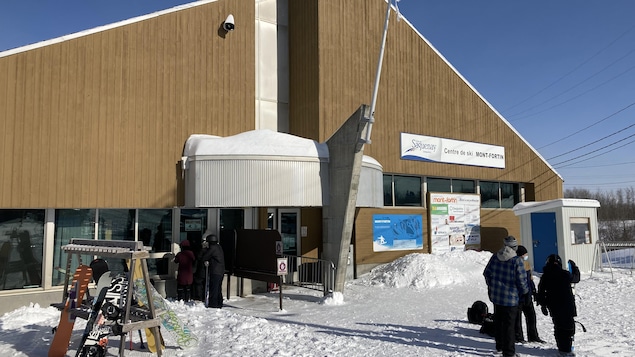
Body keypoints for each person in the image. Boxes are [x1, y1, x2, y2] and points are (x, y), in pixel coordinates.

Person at [483, 236, 529, 357]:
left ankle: (499, 347)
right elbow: (521, 280)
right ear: (514, 247)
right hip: (511, 299)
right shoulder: (516, 261)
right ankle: (509, 352)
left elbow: (486, 273)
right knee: (509, 326)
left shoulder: (495, 257)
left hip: (497, 297)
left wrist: (492, 286)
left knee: (499, 323)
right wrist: (524, 292)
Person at [536, 254, 580, 357]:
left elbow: (541, 291)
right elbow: (576, 278)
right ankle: (567, 348)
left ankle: (561, 347)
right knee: (568, 327)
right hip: (567, 305)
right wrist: (574, 267)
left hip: (554, 306)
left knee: (558, 326)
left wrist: (543, 305)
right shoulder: (565, 274)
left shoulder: (545, 276)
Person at [514, 245, 544, 343]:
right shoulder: (515, 265)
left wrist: (534, 291)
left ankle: (533, 336)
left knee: (531, 317)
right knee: (517, 318)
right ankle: (519, 337)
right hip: (518, 297)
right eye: (525, 254)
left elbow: (530, 280)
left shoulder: (526, 265)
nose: (526, 256)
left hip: (528, 295)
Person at [200, 233, 225, 308]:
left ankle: (213, 304)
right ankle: (219, 302)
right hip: (220, 270)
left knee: (213, 288)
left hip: (215, 271)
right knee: (218, 288)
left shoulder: (212, 248)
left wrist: (203, 250)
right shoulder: (218, 247)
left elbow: (205, 257)